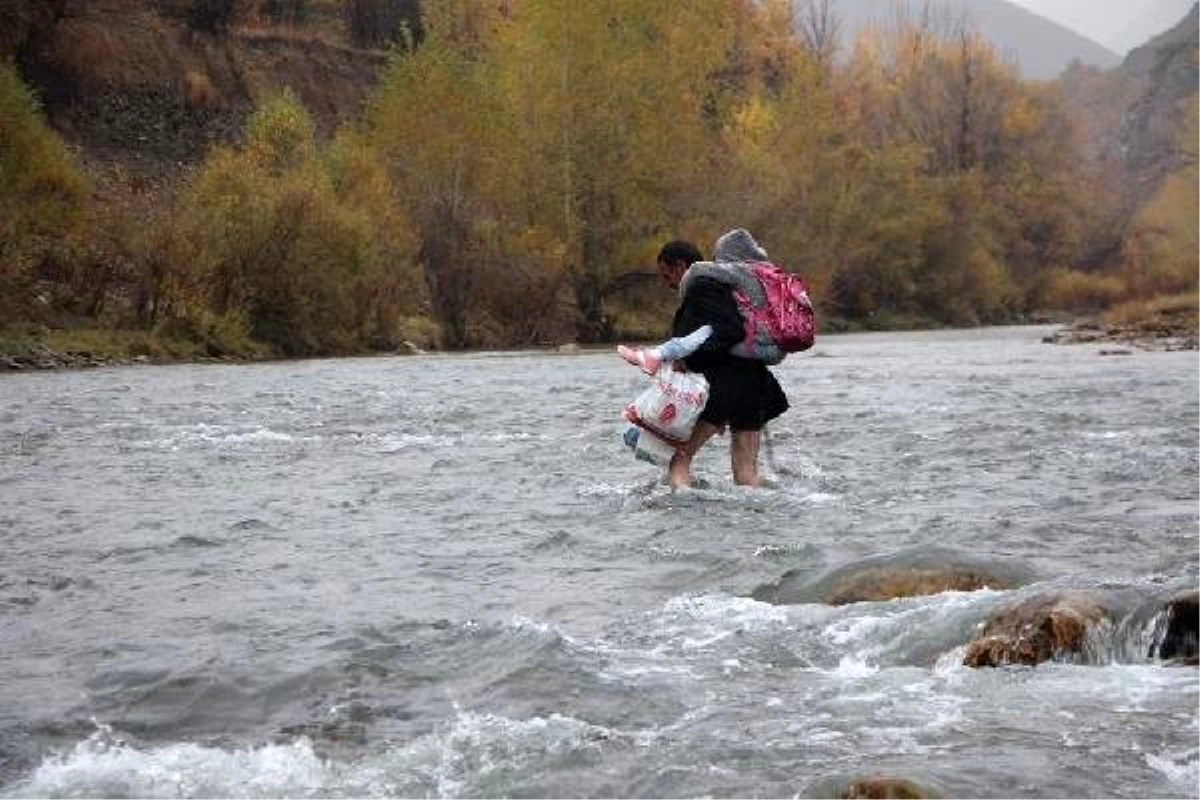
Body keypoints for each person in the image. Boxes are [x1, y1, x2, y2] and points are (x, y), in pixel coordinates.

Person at [618, 230, 789, 488]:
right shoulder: (726, 287)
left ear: (679, 266)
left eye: (666, 275)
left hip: (725, 388)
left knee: (678, 459)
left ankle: (683, 512)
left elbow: (731, 331)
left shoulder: (702, 287)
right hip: (754, 386)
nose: (667, 283)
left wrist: (690, 361)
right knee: (746, 476)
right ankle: (759, 516)